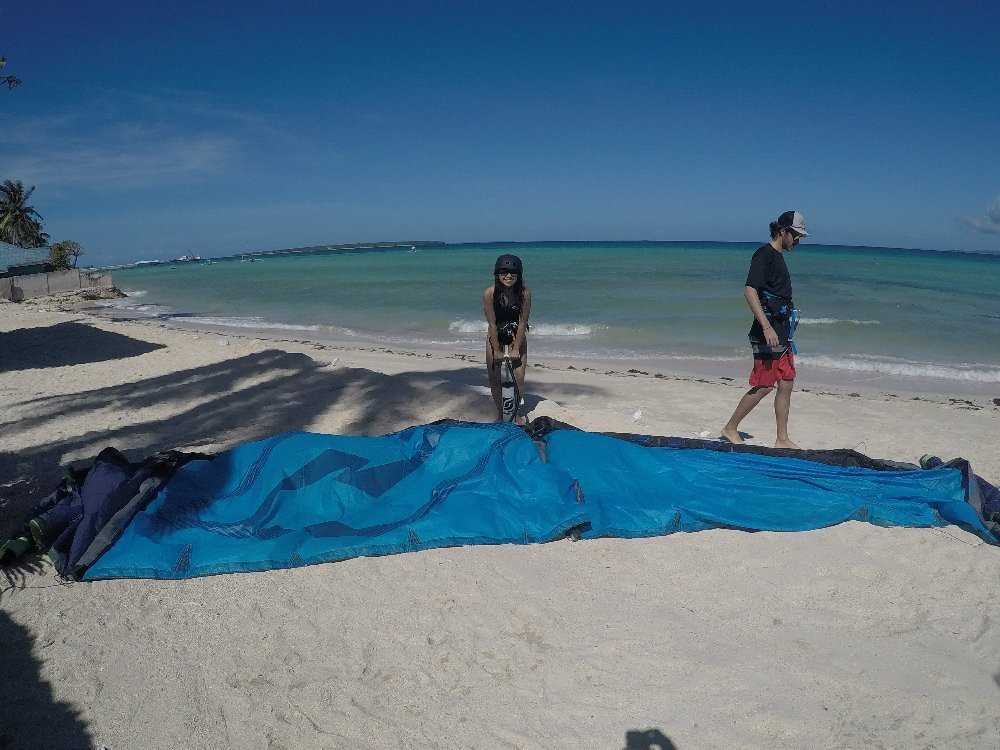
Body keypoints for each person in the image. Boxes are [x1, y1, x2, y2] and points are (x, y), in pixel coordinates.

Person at [721, 210, 809, 449]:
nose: (798, 241)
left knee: (787, 381)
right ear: (783, 232)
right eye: (796, 236)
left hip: (782, 331)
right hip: (767, 331)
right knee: (764, 384)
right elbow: (750, 290)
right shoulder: (764, 255)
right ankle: (730, 428)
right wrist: (767, 327)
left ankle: (781, 439)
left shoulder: (778, 257)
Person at [484, 254, 532, 422]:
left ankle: (514, 413)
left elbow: (522, 323)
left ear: (519, 274)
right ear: (497, 273)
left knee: (518, 377)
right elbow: (491, 323)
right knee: (494, 378)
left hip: (516, 335)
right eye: (504, 272)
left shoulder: (524, 294)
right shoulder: (489, 294)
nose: (509, 276)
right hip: (495, 334)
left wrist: (516, 348)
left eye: (513, 272)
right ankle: (500, 413)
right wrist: (496, 350)